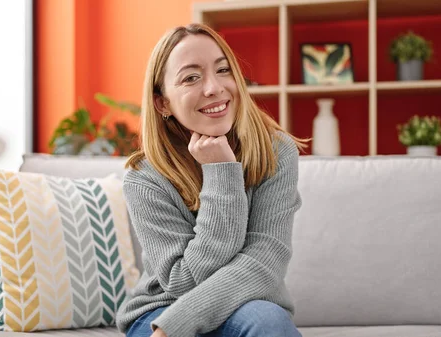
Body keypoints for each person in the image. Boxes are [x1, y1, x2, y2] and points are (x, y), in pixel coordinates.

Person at [115, 23, 307, 337]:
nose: (214, 87)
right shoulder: (145, 179)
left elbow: (265, 261)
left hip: (240, 307)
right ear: (162, 103)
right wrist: (221, 177)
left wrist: (172, 330)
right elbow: (183, 280)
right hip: (163, 308)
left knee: (267, 321)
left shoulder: (277, 153)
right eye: (191, 77)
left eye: (223, 70)